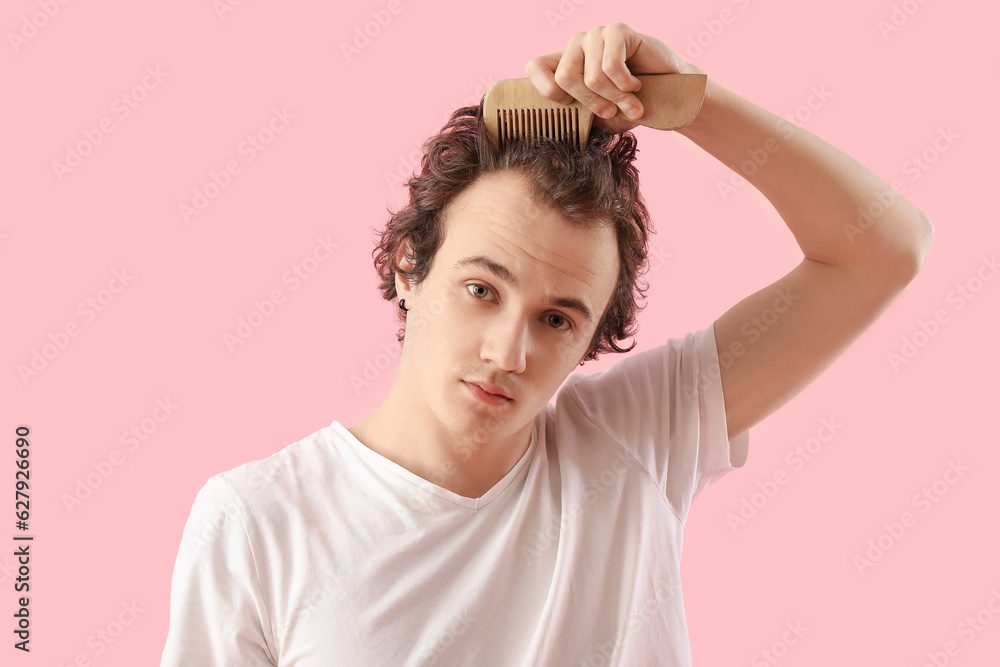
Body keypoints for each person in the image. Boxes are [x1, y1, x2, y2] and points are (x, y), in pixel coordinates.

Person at [160, 23, 933, 666]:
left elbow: (884, 248)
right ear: (408, 268)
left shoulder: (639, 441)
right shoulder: (256, 522)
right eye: (481, 289)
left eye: (558, 318)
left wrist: (687, 103)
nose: (509, 351)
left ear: (595, 333)